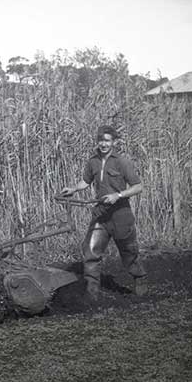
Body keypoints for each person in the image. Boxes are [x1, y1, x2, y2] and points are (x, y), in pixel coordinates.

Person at [60, 125, 147, 299]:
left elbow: (138, 186)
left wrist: (118, 195)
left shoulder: (122, 162)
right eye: (101, 140)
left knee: (129, 252)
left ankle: (139, 279)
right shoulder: (93, 161)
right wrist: (73, 189)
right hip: (100, 215)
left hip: (121, 214)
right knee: (90, 251)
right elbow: (86, 181)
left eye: (107, 141)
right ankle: (92, 294)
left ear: (114, 142)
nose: (103, 144)